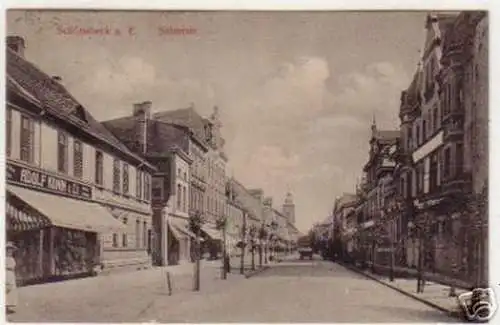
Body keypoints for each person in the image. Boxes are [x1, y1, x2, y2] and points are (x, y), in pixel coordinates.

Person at [6, 241, 18, 314]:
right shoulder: (4, 258)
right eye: (9, 249)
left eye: (11, 249)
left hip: (11, 274)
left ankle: (7, 306)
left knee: (10, 290)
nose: (10, 251)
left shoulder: (12, 258)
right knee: (6, 288)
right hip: (6, 273)